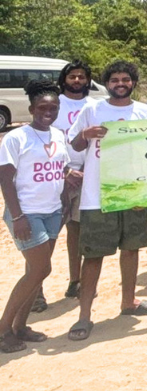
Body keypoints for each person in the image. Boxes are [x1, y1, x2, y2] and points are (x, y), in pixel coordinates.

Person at [67, 60, 147, 341]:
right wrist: (85, 135)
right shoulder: (92, 109)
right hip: (97, 194)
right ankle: (84, 316)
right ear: (107, 83)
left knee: (131, 249)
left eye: (126, 79)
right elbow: (74, 145)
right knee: (93, 254)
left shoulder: (144, 111)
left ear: (133, 82)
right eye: (115, 79)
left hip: (133, 192)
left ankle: (128, 302)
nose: (120, 83)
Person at [0, 80, 72, 353]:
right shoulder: (16, 138)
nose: (48, 112)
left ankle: (20, 326)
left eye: (53, 107)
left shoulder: (58, 135)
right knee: (41, 269)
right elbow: (5, 179)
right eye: (42, 107)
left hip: (53, 211)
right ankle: (3, 328)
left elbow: (60, 170)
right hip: (27, 213)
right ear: (31, 108)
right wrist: (17, 217)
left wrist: (65, 201)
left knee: (35, 272)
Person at [53, 61, 97, 303]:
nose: (77, 80)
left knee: (77, 231)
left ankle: (76, 281)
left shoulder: (94, 105)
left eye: (82, 76)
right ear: (65, 79)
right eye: (72, 76)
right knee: (48, 235)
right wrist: (64, 169)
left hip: (87, 175)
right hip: (57, 174)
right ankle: (36, 291)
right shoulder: (54, 103)